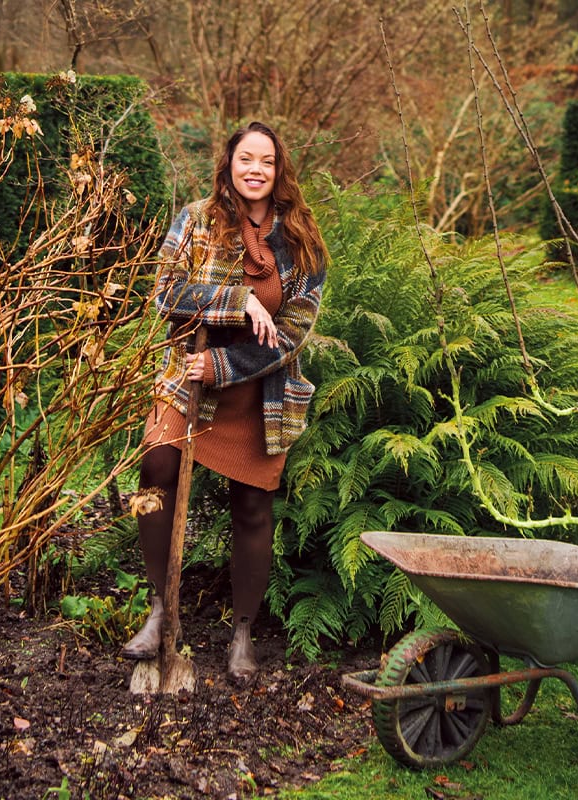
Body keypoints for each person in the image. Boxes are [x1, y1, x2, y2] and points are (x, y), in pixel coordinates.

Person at [121, 121, 327, 684]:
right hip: (186, 379)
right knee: (154, 468)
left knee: (253, 508)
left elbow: (293, 334)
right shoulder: (196, 220)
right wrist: (236, 300)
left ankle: (242, 634)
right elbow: (165, 292)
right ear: (229, 164)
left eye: (266, 161)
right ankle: (160, 610)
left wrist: (224, 365)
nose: (255, 169)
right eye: (245, 159)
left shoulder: (302, 240)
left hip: (260, 390)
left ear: (279, 170)